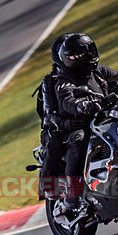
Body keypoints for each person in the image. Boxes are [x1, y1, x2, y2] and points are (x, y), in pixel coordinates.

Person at [56, 33, 118, 207]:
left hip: (106, 118)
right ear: (74, 58)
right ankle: (72, 194)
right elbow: (67, 99)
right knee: (79, 139)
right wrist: (81, 106)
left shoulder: (99, 71)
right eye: (86, 53)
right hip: (81, 124)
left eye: (91, 50)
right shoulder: (64, 79)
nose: (91, 55)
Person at [34, 34, 72, 197]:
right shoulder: (50, 81)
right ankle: (48, 185)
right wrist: (65, 123)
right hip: (58, 127)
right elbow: (49, 115)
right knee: (56, 140)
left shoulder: (90, 73)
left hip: (90, 120)